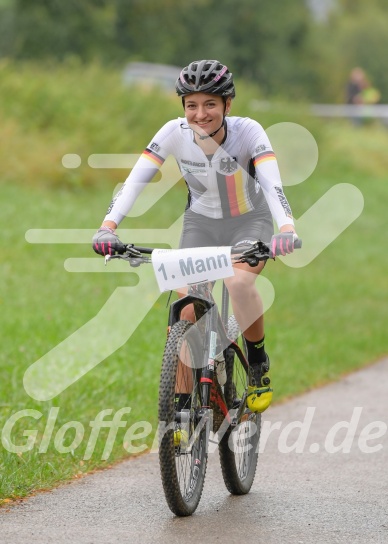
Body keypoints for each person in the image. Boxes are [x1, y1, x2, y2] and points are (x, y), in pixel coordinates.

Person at [92, 59, 298, 413]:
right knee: (187, 309)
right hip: (201, 223)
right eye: (191, 105)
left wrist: (287, 228)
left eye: (210, 104)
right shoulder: (174, 132)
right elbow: (136, 180)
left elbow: (271, 183)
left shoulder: (249, 132)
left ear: (227, 105)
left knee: (237, 283)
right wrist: (108, 225)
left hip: (250, 221)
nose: (200, 114)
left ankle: (258, 363)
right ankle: (180, 413)